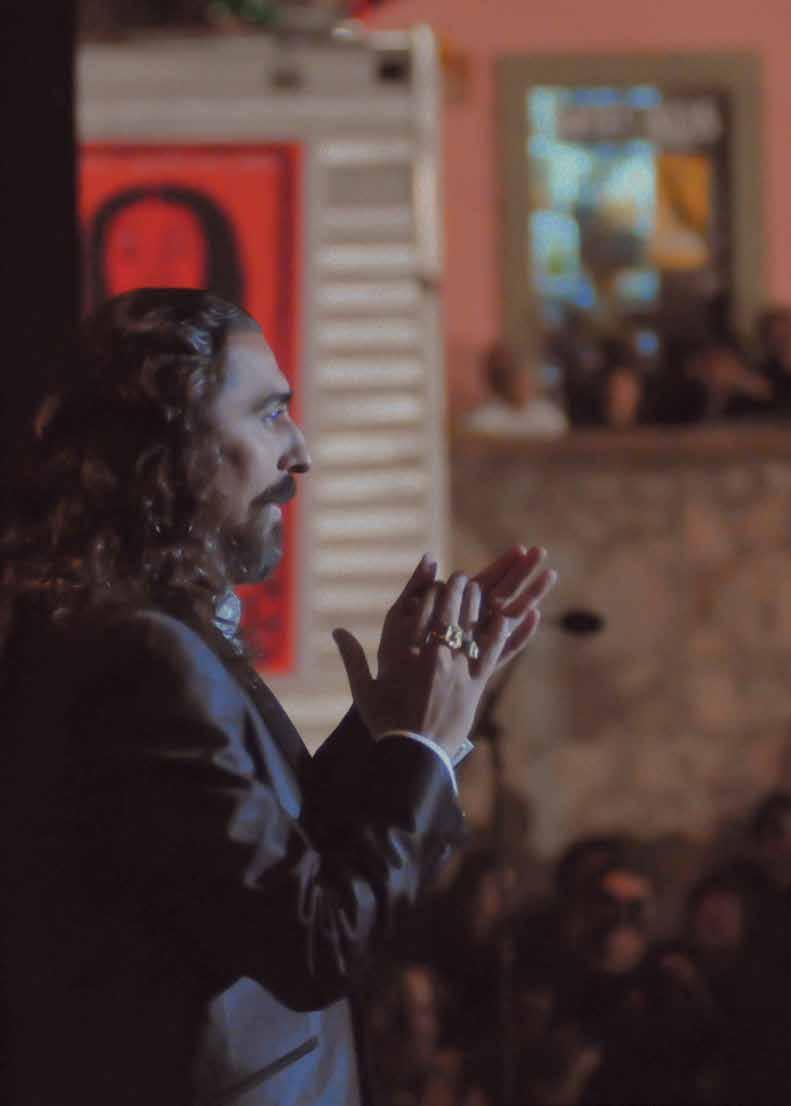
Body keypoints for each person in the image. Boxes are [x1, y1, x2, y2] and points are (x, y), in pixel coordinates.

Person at [0, 287, 556, 1106]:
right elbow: (312, 942)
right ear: (168, 443)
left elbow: (266, 865)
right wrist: (422, 750)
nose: (299, 451)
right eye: (268, 414)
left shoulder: (153, 635)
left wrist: (389, 726)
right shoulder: (142, 655)